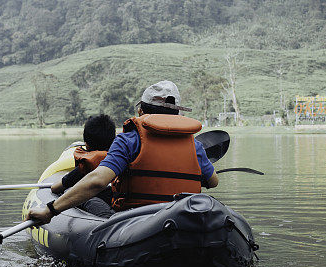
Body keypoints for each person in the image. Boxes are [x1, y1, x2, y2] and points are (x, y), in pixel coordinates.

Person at [27, 80, 218, 224]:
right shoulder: (195, 146)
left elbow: (96, 181)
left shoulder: (129, 140)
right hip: (182, 219)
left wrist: (50, 210)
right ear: (177, 115)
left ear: (141, 112)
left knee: (79, 193)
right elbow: (213, 182)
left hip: (134, 223)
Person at [50, 114, 116, 218]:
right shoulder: (122, 161)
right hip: (122, 207)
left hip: (104, 215)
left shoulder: (85, 167)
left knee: (70, 191)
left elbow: (55, 188)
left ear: (87, 144)